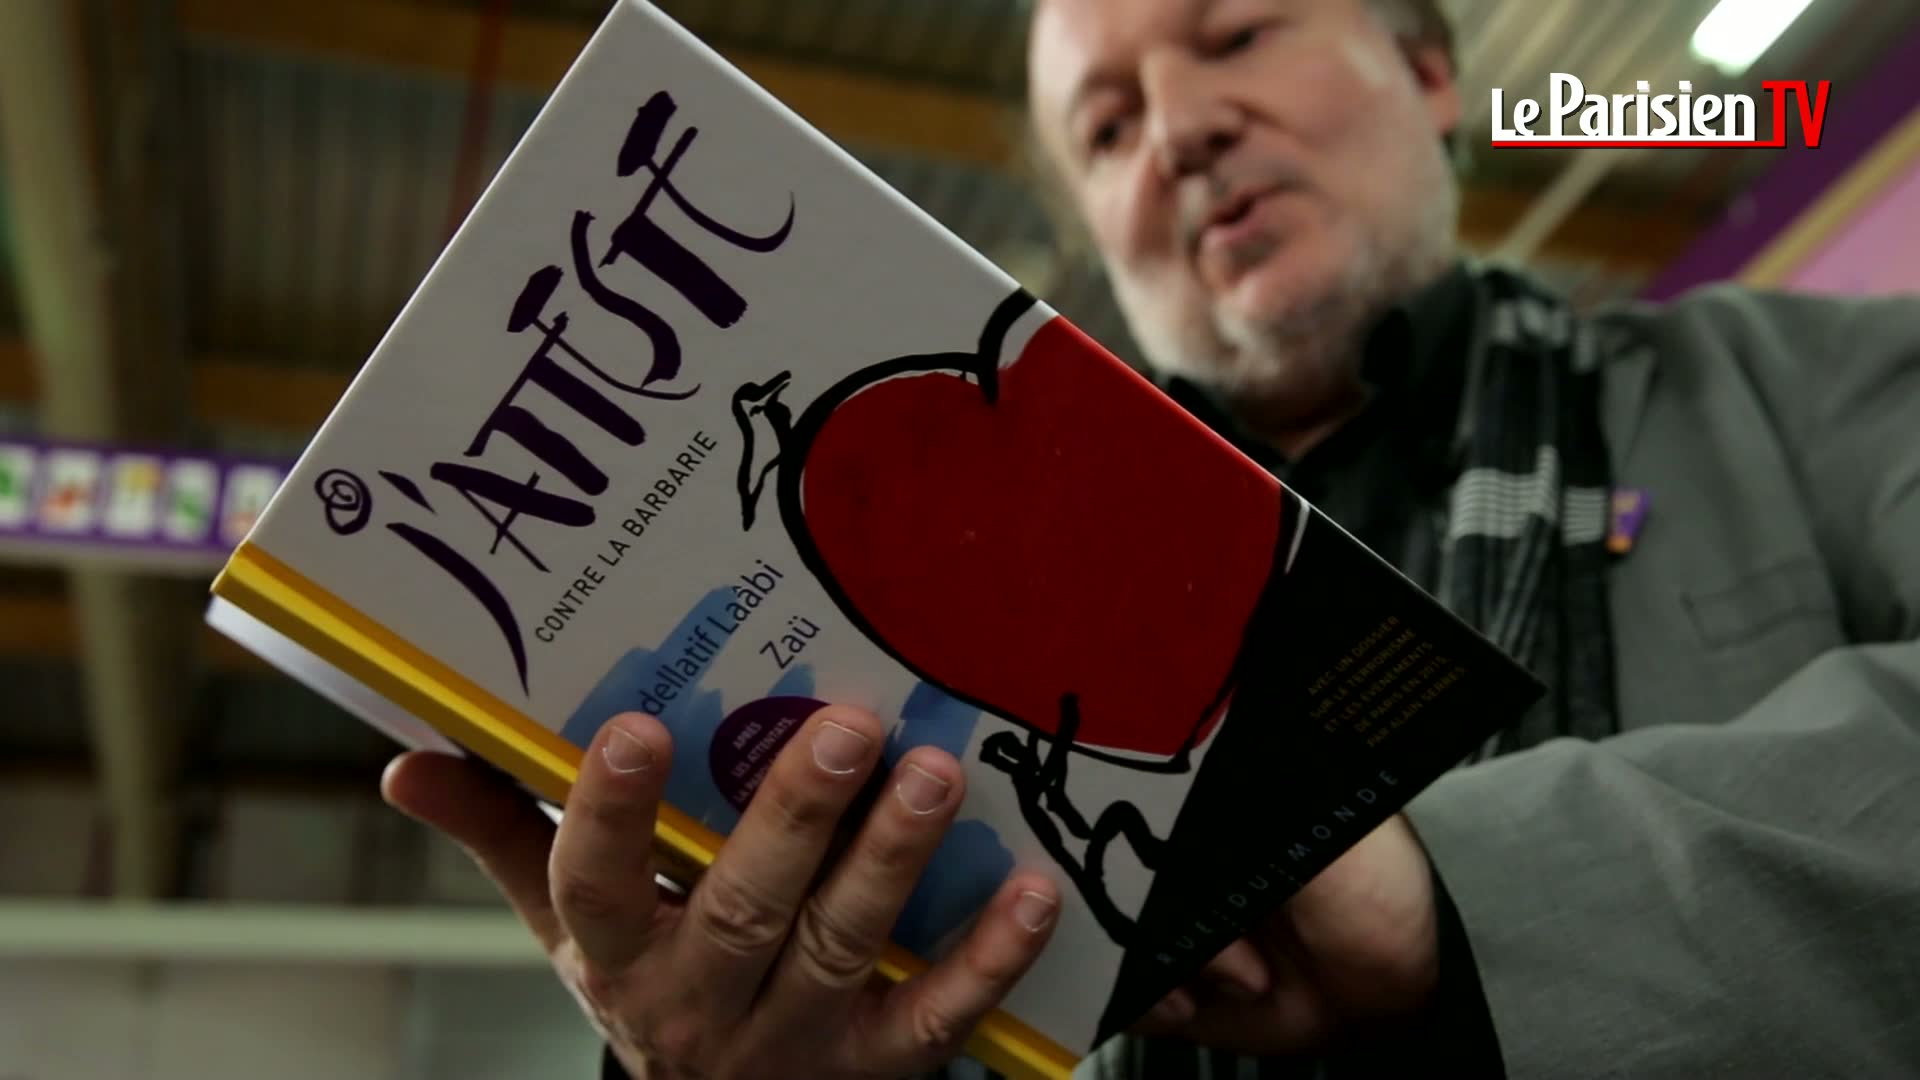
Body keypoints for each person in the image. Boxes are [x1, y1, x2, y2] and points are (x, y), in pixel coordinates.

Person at [379, 0, 1920, 1076]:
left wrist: (1455, 900)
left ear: (1429, 71)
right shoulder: (977, 629)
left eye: (1238, 35)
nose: (1179, 131)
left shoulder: (1814, 388)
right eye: (1106, 129)